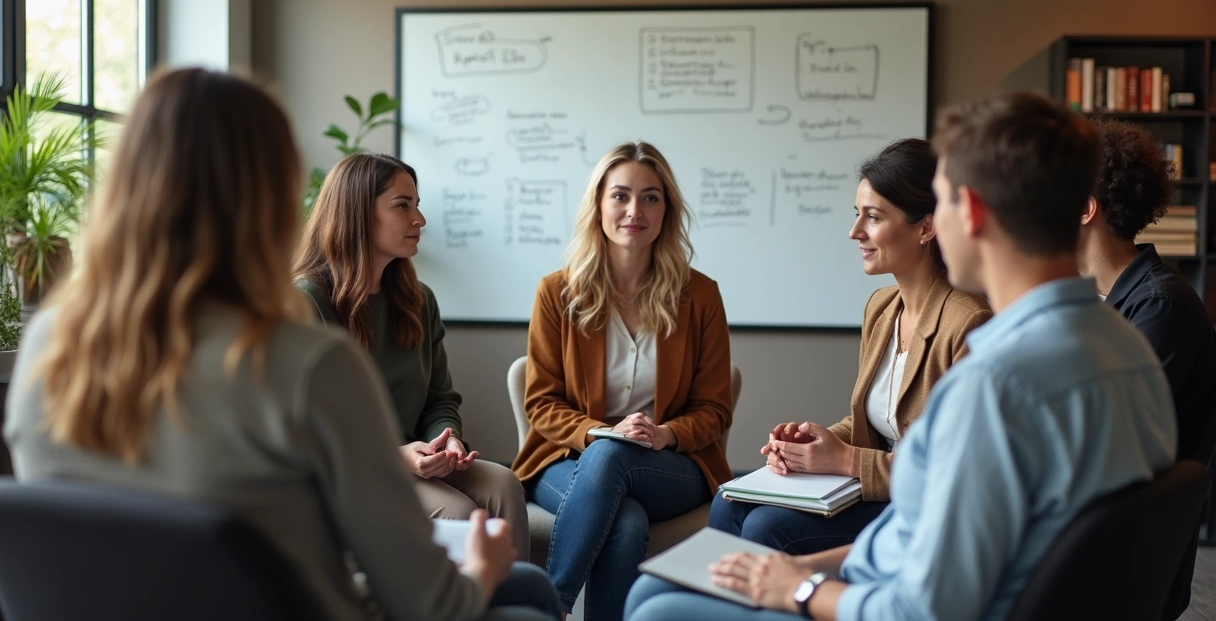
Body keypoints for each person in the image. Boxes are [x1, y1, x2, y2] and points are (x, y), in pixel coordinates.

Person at [3, 68, 559, 621]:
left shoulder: (47, 346)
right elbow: (430, 603)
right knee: (526, 597)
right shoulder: (306, 359)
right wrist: (481, 573)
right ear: (267, 195)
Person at [624, 92, 1177, 621]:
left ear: (971, 213)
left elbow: (921, 608)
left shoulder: (995, 385)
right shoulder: (1126, 347)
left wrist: (800, 587)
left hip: (911, 605)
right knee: (663, 583)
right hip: (932, 580)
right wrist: (798, 567)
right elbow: (923, 537)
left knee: (656, 603)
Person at [709, 138, 990, 555]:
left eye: (873, 217)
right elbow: (879, 423)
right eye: (857, 215)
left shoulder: (968, 323)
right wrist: (811, 442)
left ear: (926, 227)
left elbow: (957, 468)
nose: (855, 231)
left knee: (767, 527)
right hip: (880, 490)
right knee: (728, 503)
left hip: (928, 508)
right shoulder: (881, 308)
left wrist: (845, 460)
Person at [511, 141, 733, 621]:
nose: (635, 210)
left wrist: (665, 433)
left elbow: (715, 409)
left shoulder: (701, 296)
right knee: (626, 521)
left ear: (666, 210)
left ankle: (549, 607)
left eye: (651, 197)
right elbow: (542, 403)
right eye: (621, 196)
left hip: (670, 463)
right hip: (569, 457)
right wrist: (600, 432)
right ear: (599, 205)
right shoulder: (556, 292)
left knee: (615, 459)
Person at [294, 152, 529, 557]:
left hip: (417, 460)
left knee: (504, 484)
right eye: (403, 206)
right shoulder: (307, 302)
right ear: (358, 213)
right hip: (349, 471)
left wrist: (449, 440)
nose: (419, 219)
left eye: (416, 204)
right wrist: (394, 456)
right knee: (456, 512)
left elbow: (440, 399)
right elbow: (305, 426)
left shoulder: (419, 301)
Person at [1076, 118, 1216, 620]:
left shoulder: (1161, 307)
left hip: (1123, 553)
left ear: (1085, 208)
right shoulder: (1098, 301)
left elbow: (1100, 441)